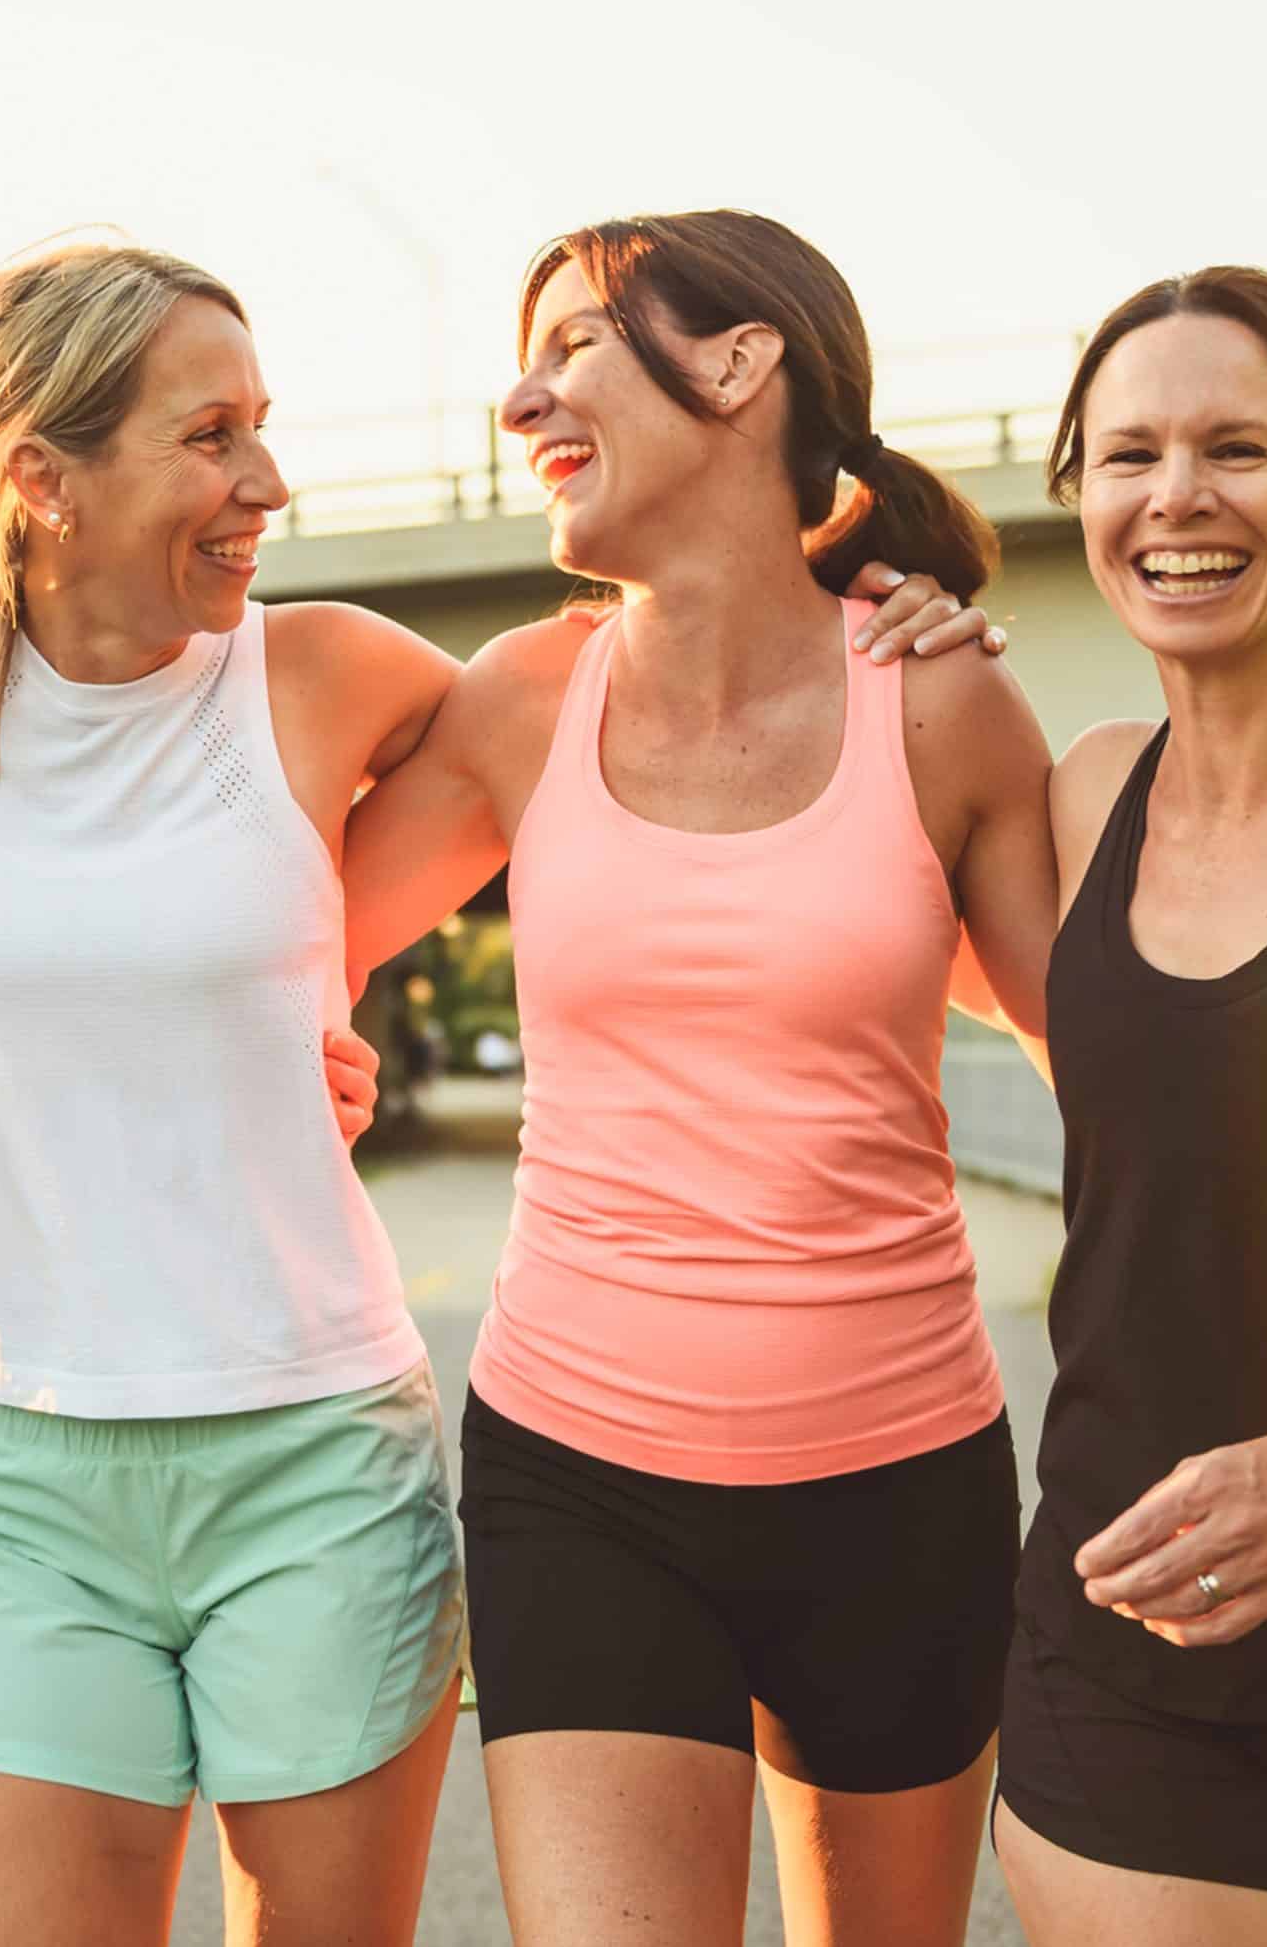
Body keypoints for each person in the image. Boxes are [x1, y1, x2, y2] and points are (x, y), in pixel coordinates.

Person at [0, 237, 993, 1947]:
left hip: (397, 1446)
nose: (266, 482)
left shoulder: (351, 673)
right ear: (39, 475)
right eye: (211, 433)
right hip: (132, 1465)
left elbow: (675, 796)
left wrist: (888, 609)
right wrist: (203, 1054)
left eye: (261, 426)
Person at [339, 208, 1058, 1946]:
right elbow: (273, 929)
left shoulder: (942, 705)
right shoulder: (524, 701)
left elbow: (1118, 1061)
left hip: (903, 1487)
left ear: (743, 366)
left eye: (574, 340)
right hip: (581, 1480)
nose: (524, 400)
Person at [991, 268, 1267, 1947]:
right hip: (1133, 1660)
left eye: (1236, 446)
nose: (1176, 495)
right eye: (1127, 455)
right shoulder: (1087, 794)